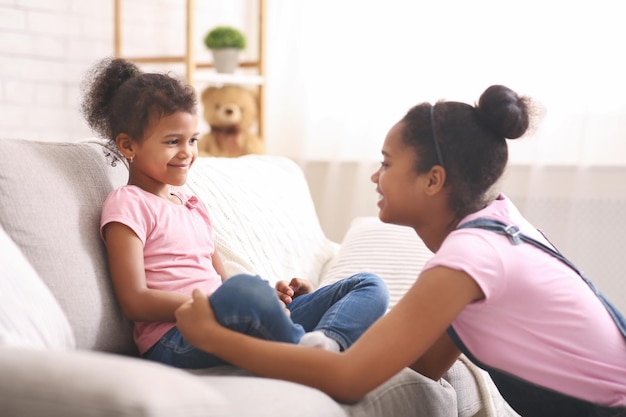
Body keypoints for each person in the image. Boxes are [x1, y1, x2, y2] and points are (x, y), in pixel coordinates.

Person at [174, 85, 626, 416]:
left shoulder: (467, 259)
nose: (376, 177)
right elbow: (426, 362)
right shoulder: (497, 227)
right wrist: (316, 312)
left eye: (387, 164)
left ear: (433, 180)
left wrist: (213, 338)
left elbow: (349, 379)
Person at [80, 57, 389, 369]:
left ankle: (324, 343)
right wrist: (231, 301)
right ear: (128, 145)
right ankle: (307, 355)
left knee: (367, 284)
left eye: (192, 140)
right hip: (179, 336)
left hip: (227, 317)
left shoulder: (192, 204)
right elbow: (135, 301)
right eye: (173, 142)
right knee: (246, 290)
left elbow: (223, 282)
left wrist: (270, 298)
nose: (187, 152)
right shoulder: (128, 203)